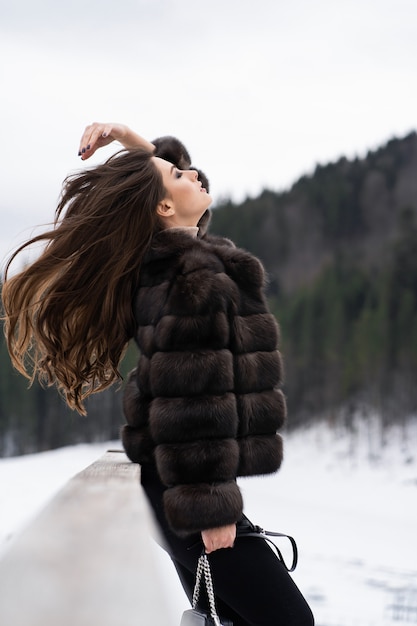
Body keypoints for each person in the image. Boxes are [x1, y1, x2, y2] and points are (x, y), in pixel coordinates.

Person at [2, 122, 314, 626]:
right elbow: (191, 393)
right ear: (165, 208)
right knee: (289, 621)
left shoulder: (174, 262)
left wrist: (133, 142)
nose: (192, 171)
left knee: (230, 618)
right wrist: (211, 507)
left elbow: (174, 192)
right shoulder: (189, 277)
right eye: (178, 173)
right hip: (187, 491)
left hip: (168, 483)